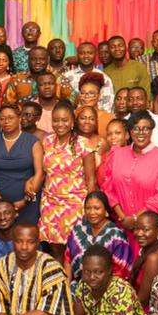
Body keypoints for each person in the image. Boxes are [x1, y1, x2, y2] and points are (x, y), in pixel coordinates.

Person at [99, 111, 158, 248]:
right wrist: (123, 217)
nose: (141, 132)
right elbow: (108, 188)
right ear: (129, 132)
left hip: (148, 230)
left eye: (146, 128)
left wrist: (135, 219)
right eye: (136, 128)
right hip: (121, 225)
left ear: (152, 131)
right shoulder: (117, 154)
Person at [36, 103, 96, 258]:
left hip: (75, 203)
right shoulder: (47, 141)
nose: (60, 124)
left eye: (64, 120)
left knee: (76, 247)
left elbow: (91, 179)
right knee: (55, 247)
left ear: (72, 122)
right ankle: (59, 279)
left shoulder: (83, 144)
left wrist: (89, 206)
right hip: (51, 202)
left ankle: (73, 280)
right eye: (56, 120)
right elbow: (44, 172)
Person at [0, 103, 45, 226]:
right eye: (2, 118)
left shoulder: (33, 142)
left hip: (27, 203)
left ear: (19, 118)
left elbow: (39, 173)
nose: (6, 121)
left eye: (10, 118)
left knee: (26, 240)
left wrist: (25, 201)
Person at [65, 191, 134, 281]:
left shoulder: (117, 236)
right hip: (78, 287)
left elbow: (121, 272)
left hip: (107, 289)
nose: (92, 212)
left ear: (106, 211)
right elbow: (68, 260)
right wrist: (66, 288)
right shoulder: (78, 229)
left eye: (96, 208)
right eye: (88, 208)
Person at [132, 211, 158, 308]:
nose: (139, 233)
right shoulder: (148, 250)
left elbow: (142, 300)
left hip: (145, 314)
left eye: (145, 229)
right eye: (137, 229)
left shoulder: (154, 259)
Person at [60, 42, 115, 111]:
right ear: (77, 55)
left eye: (90, 53)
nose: (86, 56)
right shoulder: (67, 76)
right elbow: (63, 102)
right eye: (82, 53)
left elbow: (108, 103)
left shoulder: (104, 78)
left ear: (95, 55)